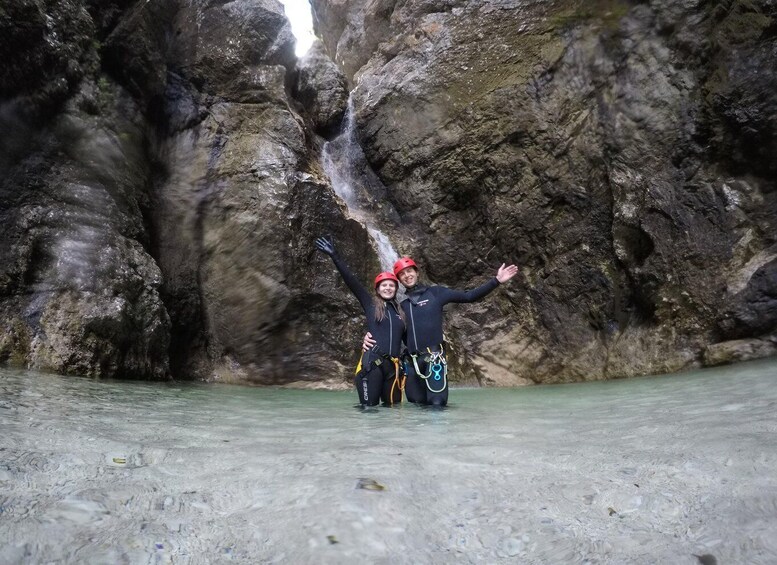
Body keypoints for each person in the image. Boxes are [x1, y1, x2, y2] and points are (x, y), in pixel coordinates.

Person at [364, 256, 519, 407]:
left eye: (410, 271)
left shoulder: (436, 293)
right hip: (411, 364)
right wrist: (368, 338)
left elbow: (469, 296)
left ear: (417, 273)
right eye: (402, 274)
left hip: (434, 359)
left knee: (437, 405)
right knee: (416, 407)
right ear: (399, 279)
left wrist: (496, 281)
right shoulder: (401, 306)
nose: (407, 275)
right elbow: (388, 328)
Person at [315, 236, 406, 407]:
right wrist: (335, 256)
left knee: (393, 411)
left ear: (396, 289)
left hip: (393, 368)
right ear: (378, 289)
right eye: (384, 285)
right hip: (373, 364)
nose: (388, 288)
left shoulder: (401, 312)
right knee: (369, 410)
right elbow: (352, 282)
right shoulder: (371, 304)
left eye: (391, 285)